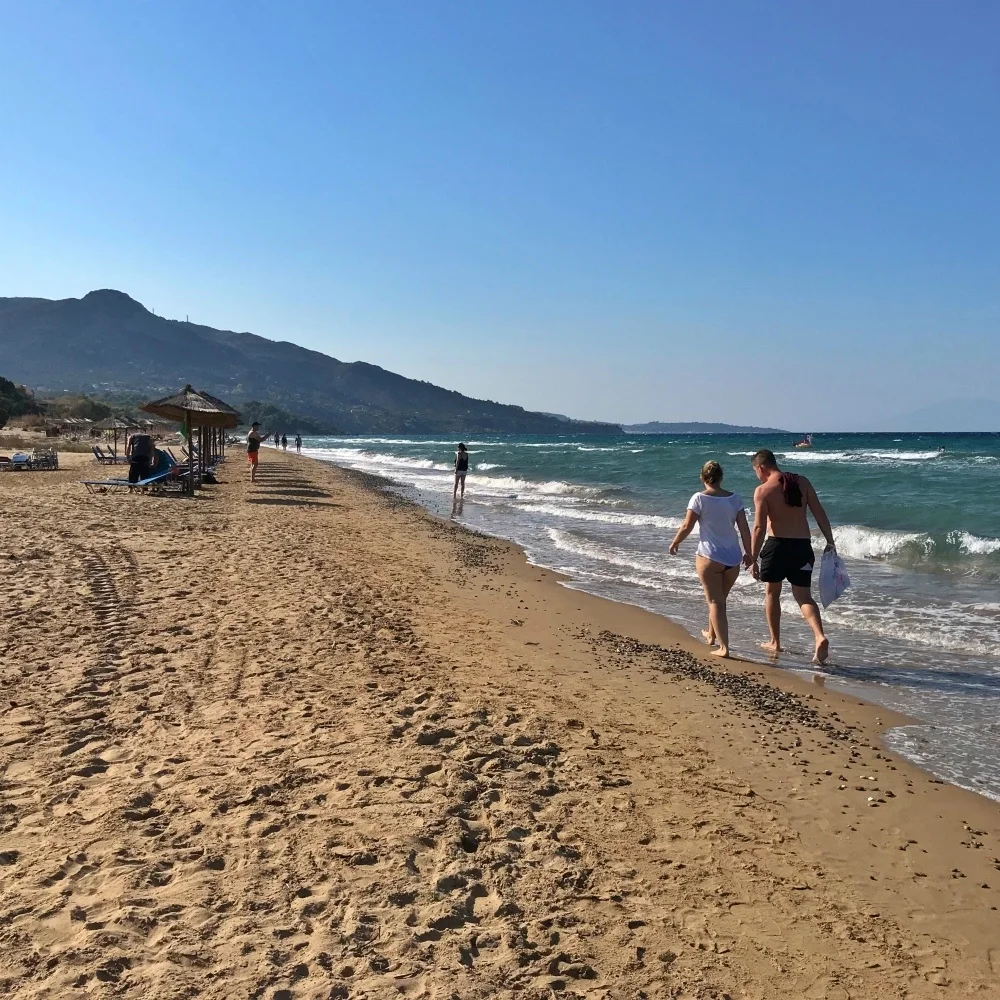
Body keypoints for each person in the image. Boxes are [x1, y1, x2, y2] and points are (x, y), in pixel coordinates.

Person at [748, 449, 835, 664]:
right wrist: (830, 541)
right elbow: (819, 512)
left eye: (755, 471)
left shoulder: (763, 490)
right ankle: (819, 636)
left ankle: (775, 642)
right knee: (804, 597)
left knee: (772, 593)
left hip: (777, 546)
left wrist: (752, 556)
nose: (756, 475)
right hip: (802, 547)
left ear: (761, 467)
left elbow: (759, 527)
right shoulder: (802, 482)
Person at [669, 461, 752, 658]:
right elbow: (744, 529)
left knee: (715, 601)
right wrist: (749, 553)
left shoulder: (698, 498)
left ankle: (724, 647)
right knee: (720, 600)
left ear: (702, 477)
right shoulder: (734, 499)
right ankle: (711, 635)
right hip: (733, 558)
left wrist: (675, 542)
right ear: (721, 477)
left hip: (709, 557)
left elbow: (687, 526)